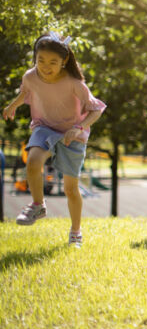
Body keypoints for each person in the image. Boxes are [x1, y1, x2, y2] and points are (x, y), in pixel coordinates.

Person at [3, 32, 106, 248]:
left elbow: (96, 110)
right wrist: (14, 104)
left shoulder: (74, 83)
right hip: (45, 126)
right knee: (32, 162)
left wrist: (79, 128)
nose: (45, 66)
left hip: (72, 133)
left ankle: (75, 231)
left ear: (64, 61)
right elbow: (26, 91)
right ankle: (38, 205)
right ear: (35, 58)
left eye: (53, 62)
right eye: (40, 60)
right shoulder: (30, 76)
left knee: (70, 188)